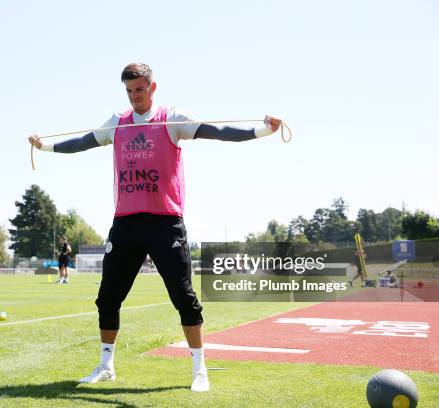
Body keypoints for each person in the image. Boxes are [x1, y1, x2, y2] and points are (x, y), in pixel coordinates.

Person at [28, 63, 282, 392]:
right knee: (107, 299)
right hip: (126, 224)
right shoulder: (117, 124)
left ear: (152, 88)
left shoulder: (171, 119)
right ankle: (106, 365)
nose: (135, 96)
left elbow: (216, 132)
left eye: (140, 89)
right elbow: (82, 143)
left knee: (184, 297)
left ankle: (199, 369)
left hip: (165, 223)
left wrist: (261, 131)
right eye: (130, 91)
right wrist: (44, 146)